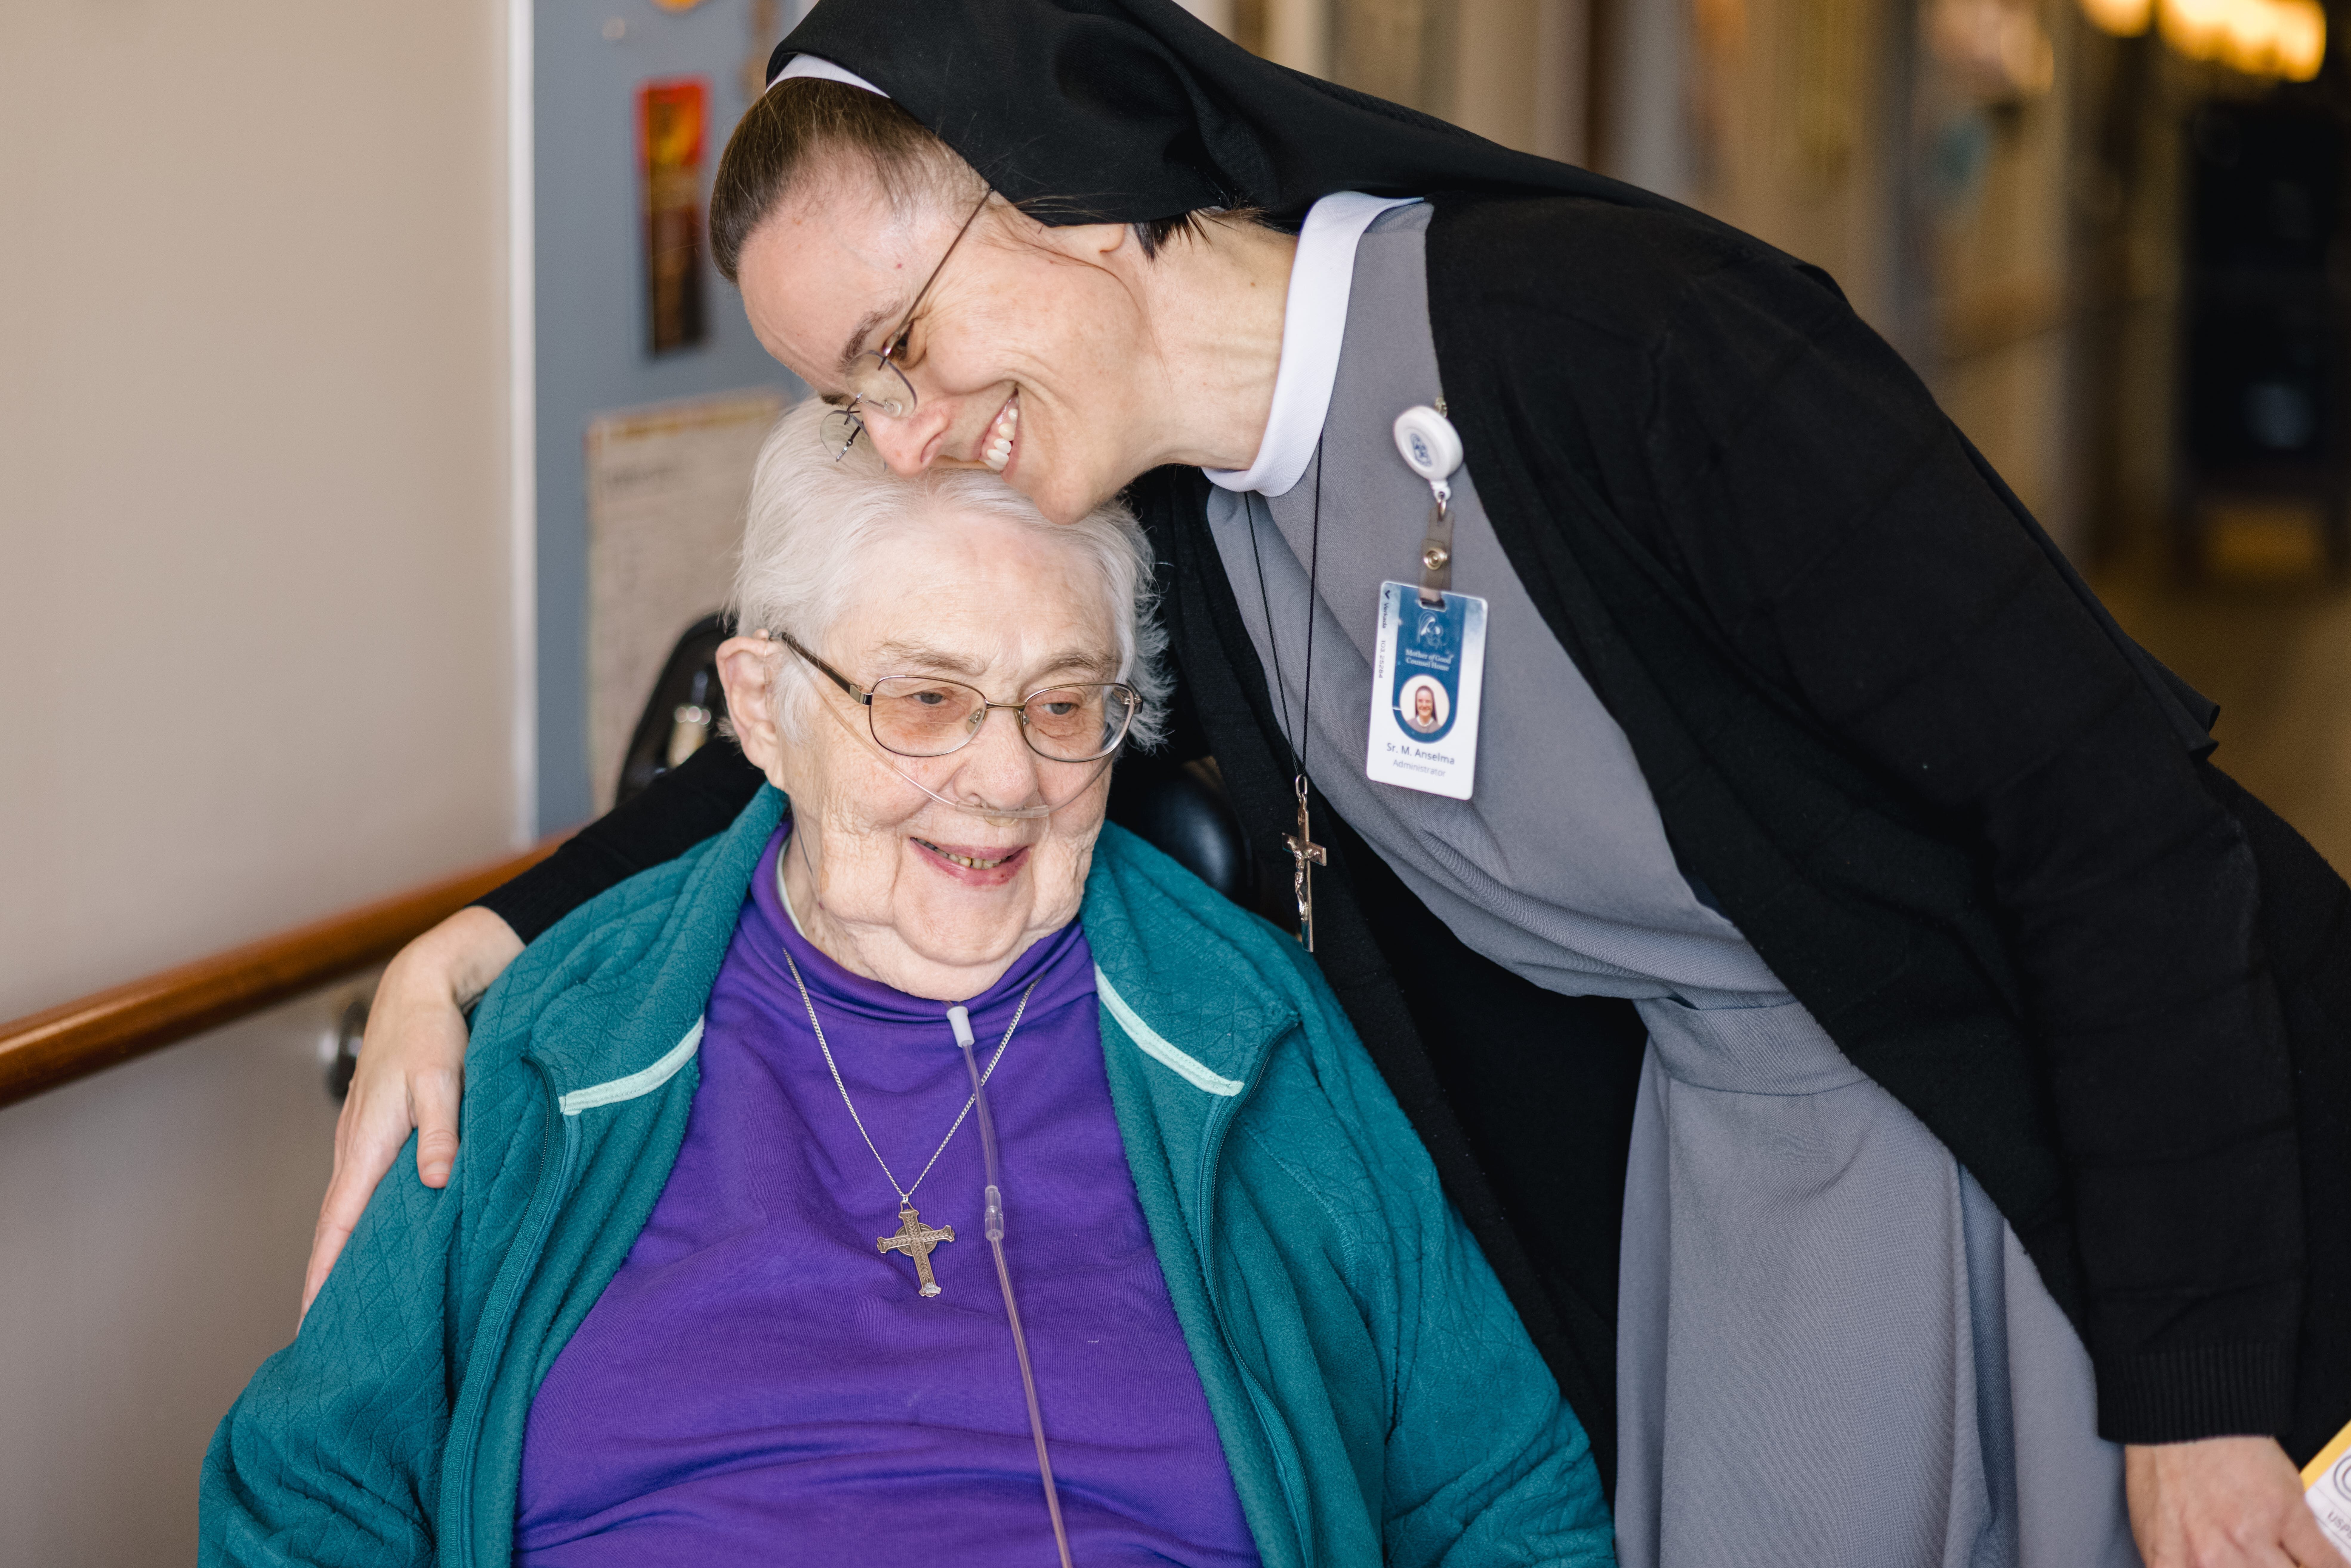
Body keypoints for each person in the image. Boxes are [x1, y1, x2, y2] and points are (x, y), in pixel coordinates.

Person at [305, 4, 2351, 1565]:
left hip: (2087, 1160)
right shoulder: (1190, 522)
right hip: (1735, 1218)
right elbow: (838, 719)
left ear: (1075, 179)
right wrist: (478, 943)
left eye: (906, 345)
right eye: (855, 398)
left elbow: (2112, 827)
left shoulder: (1631, 358)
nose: (908, 437)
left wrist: (2200, 1386)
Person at [207, 398, 1613, 1567]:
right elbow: (304, 1503)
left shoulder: (1246, 1032)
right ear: (763, 709)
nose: (1006, 781)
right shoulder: (563, 1041)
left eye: (1064, 704)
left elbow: (1502, 1498)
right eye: (924, 700)